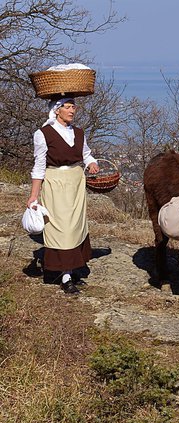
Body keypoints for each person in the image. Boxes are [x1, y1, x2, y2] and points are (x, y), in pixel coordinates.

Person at [27, 96, 99, 294]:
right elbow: (39, 166)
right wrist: (34, 195)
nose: (72, 110)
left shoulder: (78, 132)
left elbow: (86, 154)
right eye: (67, 107)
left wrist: (92, 162)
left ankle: (72, 270)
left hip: (76, 183)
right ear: (56, 110)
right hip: (56, 183)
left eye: (73, 106)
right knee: (62, 229)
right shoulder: (43, 134)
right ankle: (65, 276)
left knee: (76, 226)